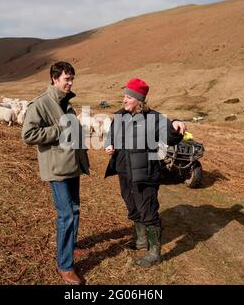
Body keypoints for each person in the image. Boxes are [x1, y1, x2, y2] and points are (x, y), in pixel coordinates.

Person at [104, 78, 186, 267]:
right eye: (124, 96)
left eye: (129, 97)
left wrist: (176, 125)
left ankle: (154, 253)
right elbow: (111, 134)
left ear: (139, 100)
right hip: (124, 171)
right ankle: (141, 241)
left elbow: (170, 135)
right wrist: (109, 144)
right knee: (132, 207)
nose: (124, 100)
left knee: (148, 211)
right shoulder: (119, 116)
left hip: (145, 175)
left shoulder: (154, 119)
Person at [21, 61, 90, 285]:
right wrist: (59, 129)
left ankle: (71, 247)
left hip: (72, 165)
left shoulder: (66, 102)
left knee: (76, 209)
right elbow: (28, 134)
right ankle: (65, 265)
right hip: (57, 169)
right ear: (54, 79)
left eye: (72, 79)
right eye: (66, 79)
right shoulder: (41, 104)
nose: (70, 83)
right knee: (66, 214)